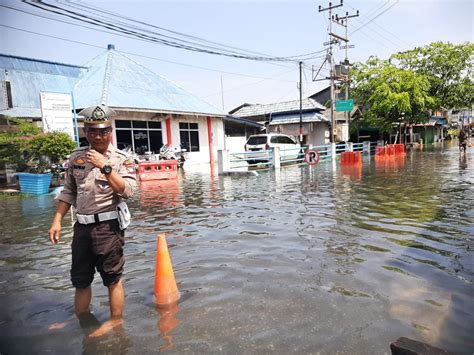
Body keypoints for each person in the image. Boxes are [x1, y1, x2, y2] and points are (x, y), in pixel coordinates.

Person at [49, 105, 137, 335]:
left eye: (103, 131)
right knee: (80, 278)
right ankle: (81, 317)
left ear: (111, 132)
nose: (98, 136)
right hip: (82, 227)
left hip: (108, 227)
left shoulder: (122, 160)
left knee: (112, 277)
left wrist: (105, 167)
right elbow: (69, 191)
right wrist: (57, 220)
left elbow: (127, 191)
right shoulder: (76, 157)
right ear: (85, 131)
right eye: (92, 131)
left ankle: (116, 322)